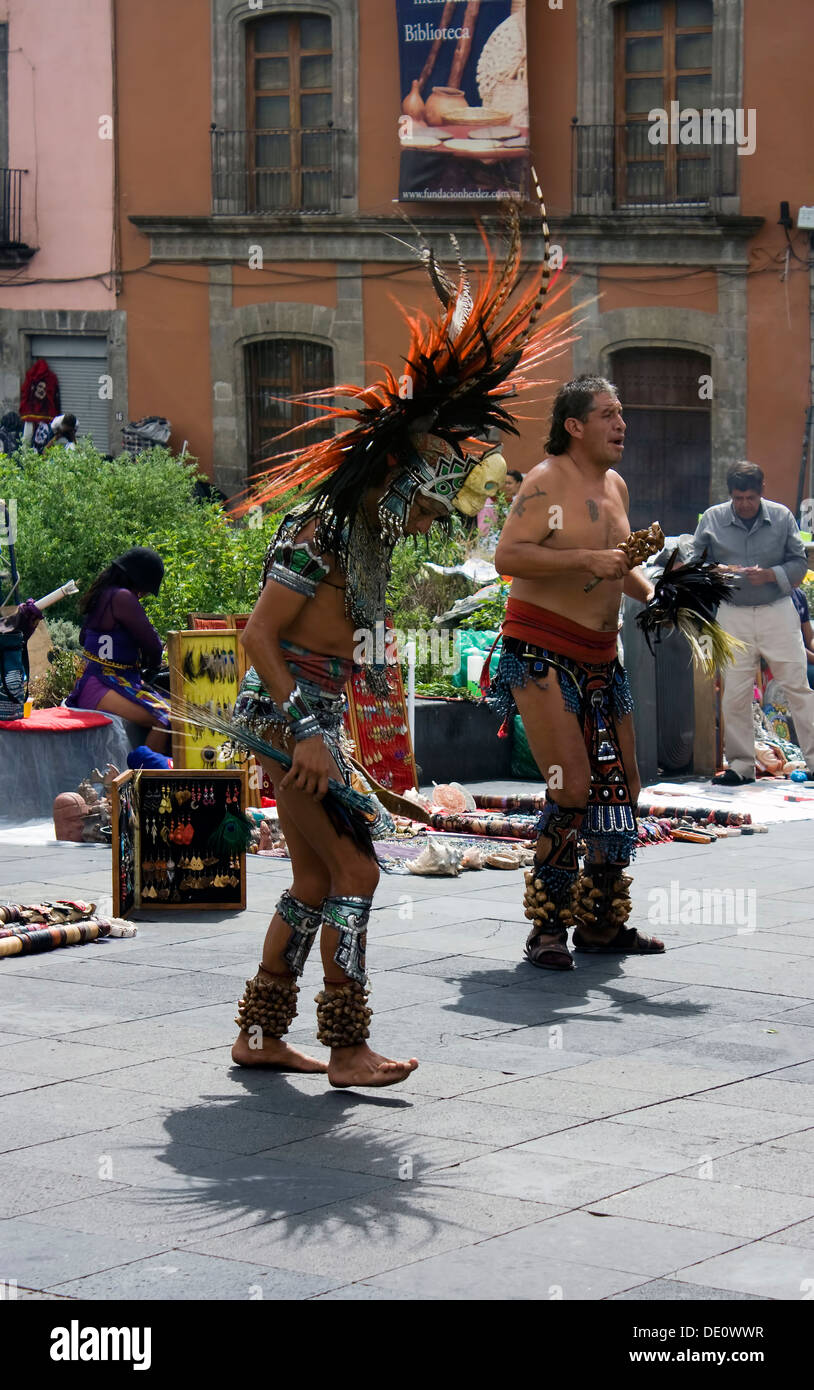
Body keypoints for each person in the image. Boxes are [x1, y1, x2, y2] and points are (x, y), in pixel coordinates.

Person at [226, 202, 571, 1081]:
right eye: (425, 501)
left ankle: (261, 1035)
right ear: (395, 479)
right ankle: (345, 1045)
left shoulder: (367, 539)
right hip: (281, 718)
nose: (428, 518)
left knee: (314, 880)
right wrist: (305, 729)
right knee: (357, 873)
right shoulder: (320, 528)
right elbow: (258, 633)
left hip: (307, 722)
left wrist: (350, 754)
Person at [490, 374, 663, 971]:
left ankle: (601, 924)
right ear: (574, 425)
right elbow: (507, 555)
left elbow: (621, 567)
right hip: (542, 654)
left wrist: (663, 596)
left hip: (600, 657)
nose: (621, 424)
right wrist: (583, 558)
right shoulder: (544, 482)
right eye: (608, 414)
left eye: (622, 413)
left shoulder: (615, 484)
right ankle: (546, 929)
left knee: (625, 786)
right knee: (570, 785)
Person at [690, 462, 814, 784]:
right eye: (738, 498)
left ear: (762, 492)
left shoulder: (783, 517)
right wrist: (717, 572)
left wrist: (771, 575)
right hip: (732, 613)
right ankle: (741, 767)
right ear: (730, 495)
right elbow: (694, 563)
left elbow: (800, 563)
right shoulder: (713, 518)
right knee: (734, 693)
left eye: (750, 497)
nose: (744, 504)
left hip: (777, 609)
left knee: (798, 687)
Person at [66, 547, 172, 764]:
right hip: (102, 684)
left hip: (98, 681)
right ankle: (141, 782)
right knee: (166, 716)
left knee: (169, 709)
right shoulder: (123, 597)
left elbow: (83, 638)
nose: (143, 595)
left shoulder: (105, 595)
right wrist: (151, 664)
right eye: (145, 589)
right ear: (139, 580)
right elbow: (152, 644)